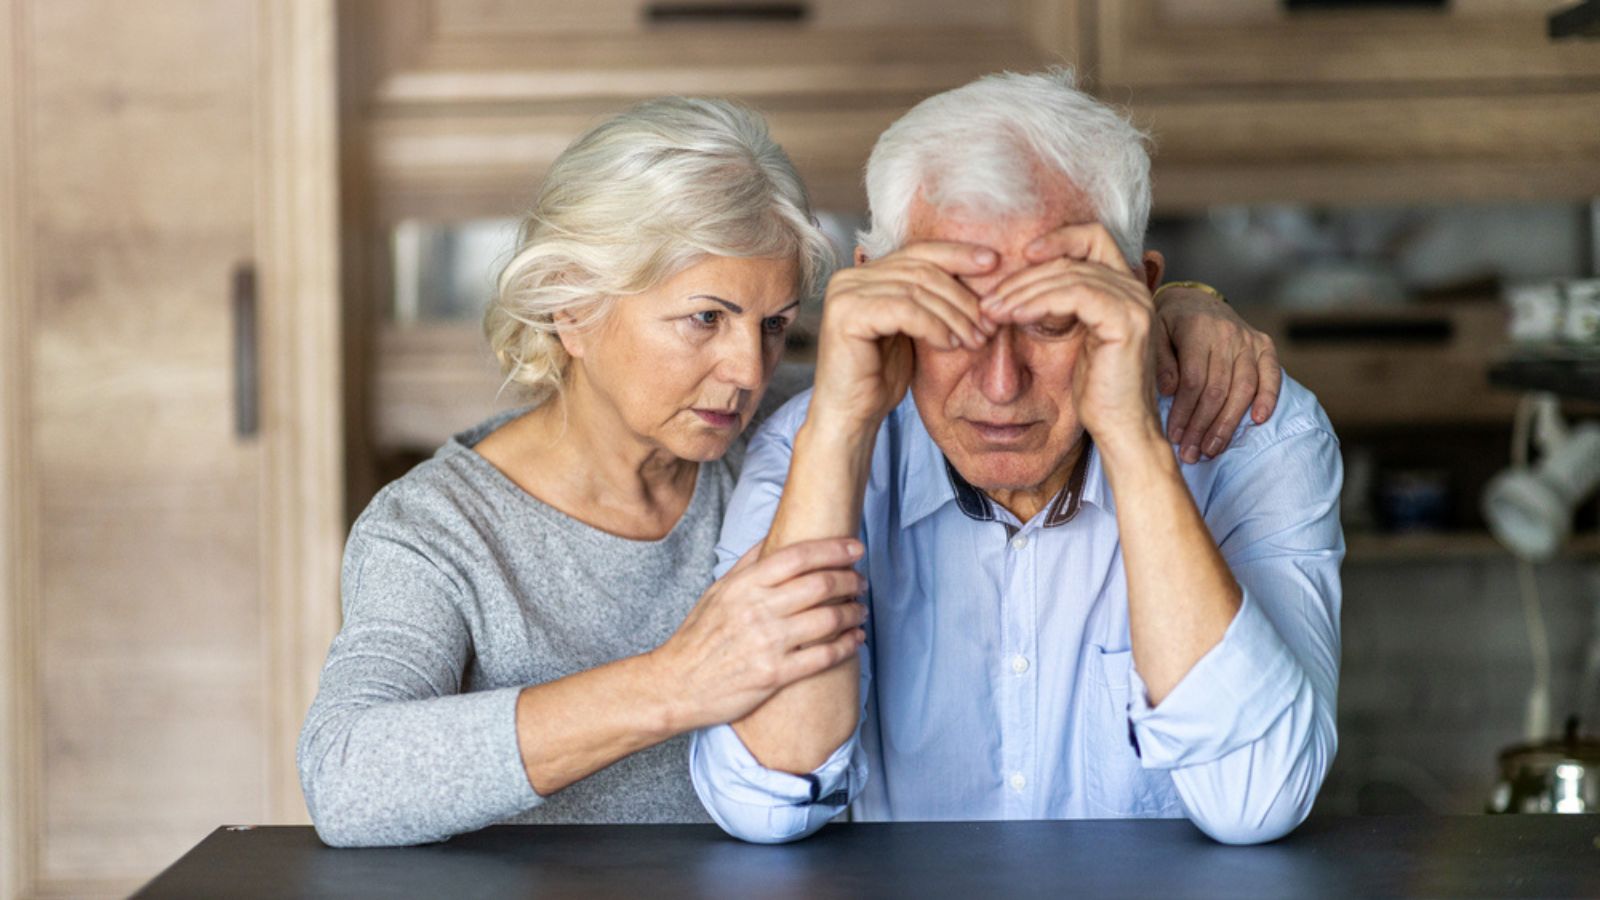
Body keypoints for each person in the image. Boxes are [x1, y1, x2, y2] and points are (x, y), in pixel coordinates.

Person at [297, 95, 1282, 847]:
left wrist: (1179, 312)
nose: (747, 370)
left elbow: (985, 355)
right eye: (704, 318)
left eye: (773, 326)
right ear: (572, 307)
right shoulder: (435, 528)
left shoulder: (784, 438)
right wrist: (674, 684)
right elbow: (345, 778)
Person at [689, 70, 1343, 846]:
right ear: (876, 295)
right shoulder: (811, 444)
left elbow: (1258, 800)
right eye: (948, 315)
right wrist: (838, 431)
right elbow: (761, 804)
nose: (1001, 386)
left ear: (1139, 293)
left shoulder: (1254, 431)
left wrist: (1135, 439)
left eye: (1055, 319)